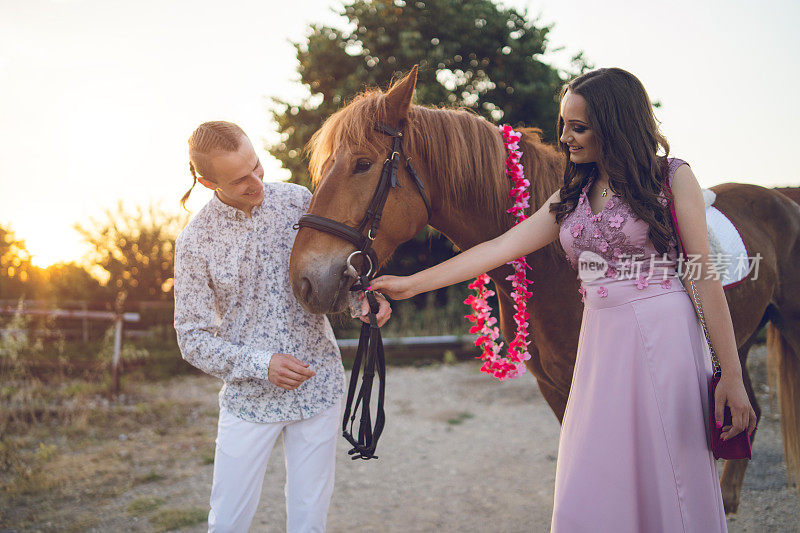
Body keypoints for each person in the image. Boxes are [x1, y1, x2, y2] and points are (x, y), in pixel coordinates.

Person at [368, 68, 757, 532]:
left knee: (667, 464)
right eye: (562, 124)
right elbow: (498, 248)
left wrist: (730, 375)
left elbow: (704, 277)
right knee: (593, 464)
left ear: (615, 125)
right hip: (601, 341)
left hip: (663, 336)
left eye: (579, 127)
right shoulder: (571, 195)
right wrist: (409, 284)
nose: (565, 137)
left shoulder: (672, 177)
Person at [173, 121, 391, 532]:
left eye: (257, 166)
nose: (256, 181)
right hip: (250, 401)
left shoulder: (298, 202)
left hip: (319, 386)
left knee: (310, 515)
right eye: (240, 180)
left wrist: (362, 302)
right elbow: (192, 338)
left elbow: (336, 280)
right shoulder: (195, 241)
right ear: (206, 181)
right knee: (228, 520)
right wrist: (262, 364)